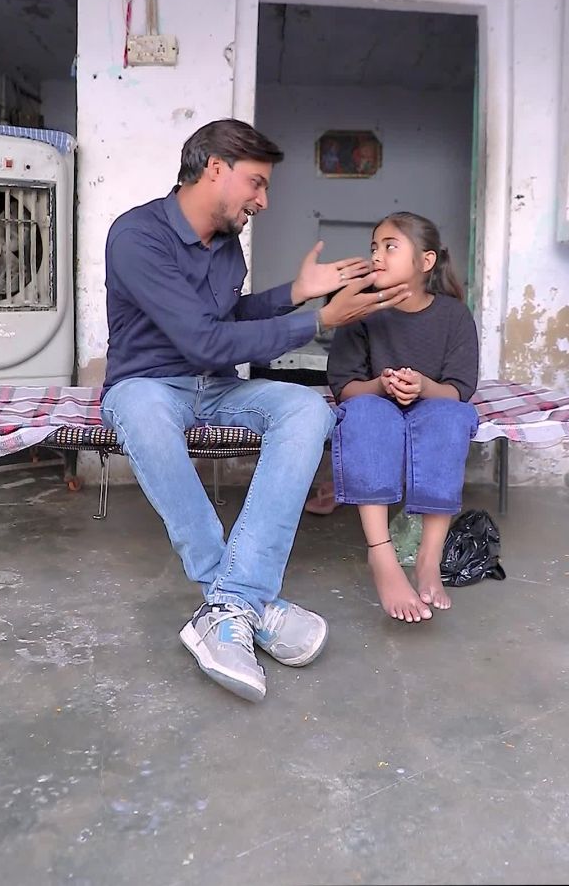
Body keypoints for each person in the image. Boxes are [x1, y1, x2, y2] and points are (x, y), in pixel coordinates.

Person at [101, 119, 411, 701]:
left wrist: (294, 294)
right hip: (147, 385)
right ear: (215, 169)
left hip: (216, 388)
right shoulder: (137, 236)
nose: (263, 201)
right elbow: (202, 341)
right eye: (257, 183)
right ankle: (243, 601)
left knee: (307, 409)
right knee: (141, 411)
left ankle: (230, 605)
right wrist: (319, 320)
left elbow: (226, 321)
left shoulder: (226, 247)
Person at [327, 212, 479, 624]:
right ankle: (382, 556)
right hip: (375, 403)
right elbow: (345, 387)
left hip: (435, 404)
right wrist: (381, 385)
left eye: (390, 246)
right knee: (363, 414)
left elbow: (459, 389)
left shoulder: (453, 316)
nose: (377, 255)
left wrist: (424, 387)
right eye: (374, 247)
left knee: (451, 417)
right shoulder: (360, 311)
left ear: (426, 261)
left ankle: (429, 557)